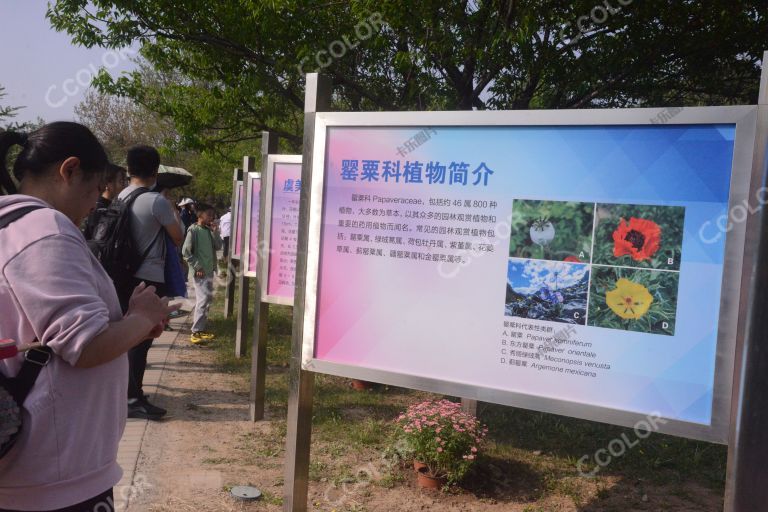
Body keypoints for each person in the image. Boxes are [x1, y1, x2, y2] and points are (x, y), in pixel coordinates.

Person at [0, 122, 175, 511]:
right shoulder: (45, 231)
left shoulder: (12, 227)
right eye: (96, 190)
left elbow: (47, 333)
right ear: (70, 170)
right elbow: (86, 345)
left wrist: (131, 325)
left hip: (33, 470)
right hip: (55, 476)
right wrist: (143, 317)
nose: (95, 204)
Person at [116, 146, 183, 421]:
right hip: (149, 277)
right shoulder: (156, 201)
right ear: (156, 171)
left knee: (126, 338)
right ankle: (133, 398)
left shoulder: (120, 196)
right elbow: (178, 236)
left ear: (129, 169)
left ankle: (128, 394)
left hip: (122, 276)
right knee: (141, 339)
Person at [182, 203, 221, 344]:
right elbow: (185, 252)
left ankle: (201, 329)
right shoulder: (193, 230)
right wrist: (197, 267)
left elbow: (219, 246)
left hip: (209, 271)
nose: (212, 217)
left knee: (207, 300)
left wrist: (216, 232)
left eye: (213, 215)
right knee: (203, 300)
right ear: (200, 215)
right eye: (209, 214)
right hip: (200, 272)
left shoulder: (209, 231)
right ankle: (196, 331)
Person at [81, 163, 127, 239]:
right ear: (107, 184)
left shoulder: (112, 205)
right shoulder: (98, 209)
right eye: (121, 181)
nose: (125, 185)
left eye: (126, 181)